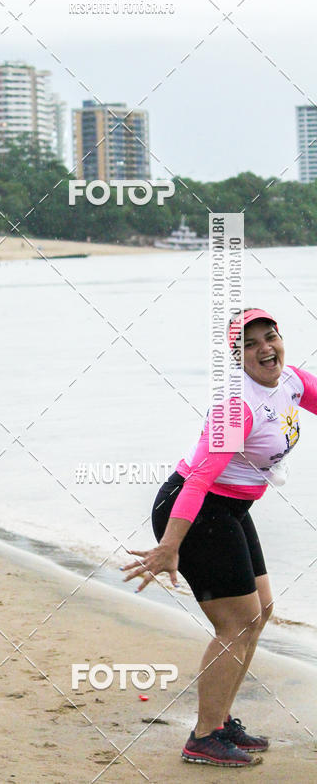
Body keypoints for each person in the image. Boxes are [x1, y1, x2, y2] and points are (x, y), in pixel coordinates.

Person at [123, 308, 317, 767]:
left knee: (260, 610)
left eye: (270, 337)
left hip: (230, 509)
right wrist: (170, 546)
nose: (265, 348)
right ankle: (203, 737)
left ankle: (221, 720)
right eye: (250, 345)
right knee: (237, 621)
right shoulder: (238, 407)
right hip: (195, 510)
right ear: (236, 357)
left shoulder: (289, 380)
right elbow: (197, 481)